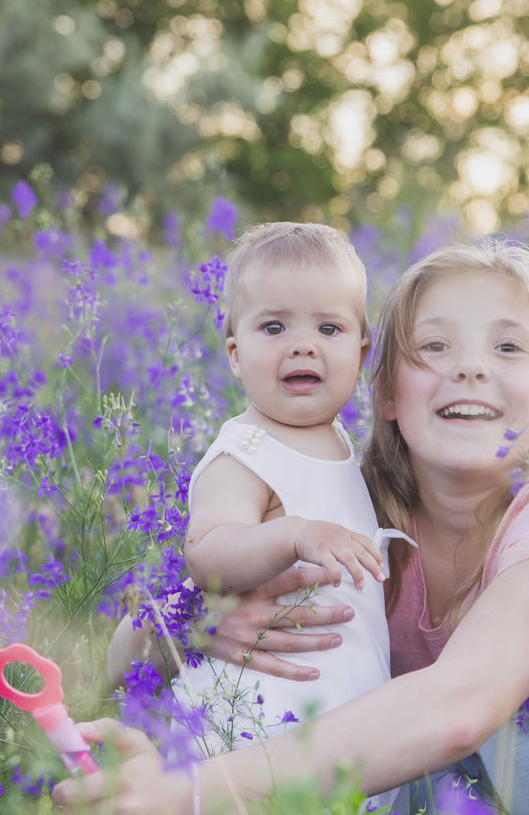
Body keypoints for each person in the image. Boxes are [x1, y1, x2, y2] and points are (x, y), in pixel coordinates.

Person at [66, 239, 529, 814]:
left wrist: (189, 795)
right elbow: (121, 660)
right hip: (488, 787)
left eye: (509, 349)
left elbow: (461, 708)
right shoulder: (347, 514)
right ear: (388, 392)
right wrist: (189, 624)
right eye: (434, 347)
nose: (469, 368)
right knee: (384, 758)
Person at [132, 222, 409, 808]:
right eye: (274, 327)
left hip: (334, 714)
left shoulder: (338, 443)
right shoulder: (245, 454)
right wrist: (293, 534)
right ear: (235, 354)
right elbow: (207, 551)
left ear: (362, 354)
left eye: (328, 328)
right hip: (252, 718)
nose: (302, 345)